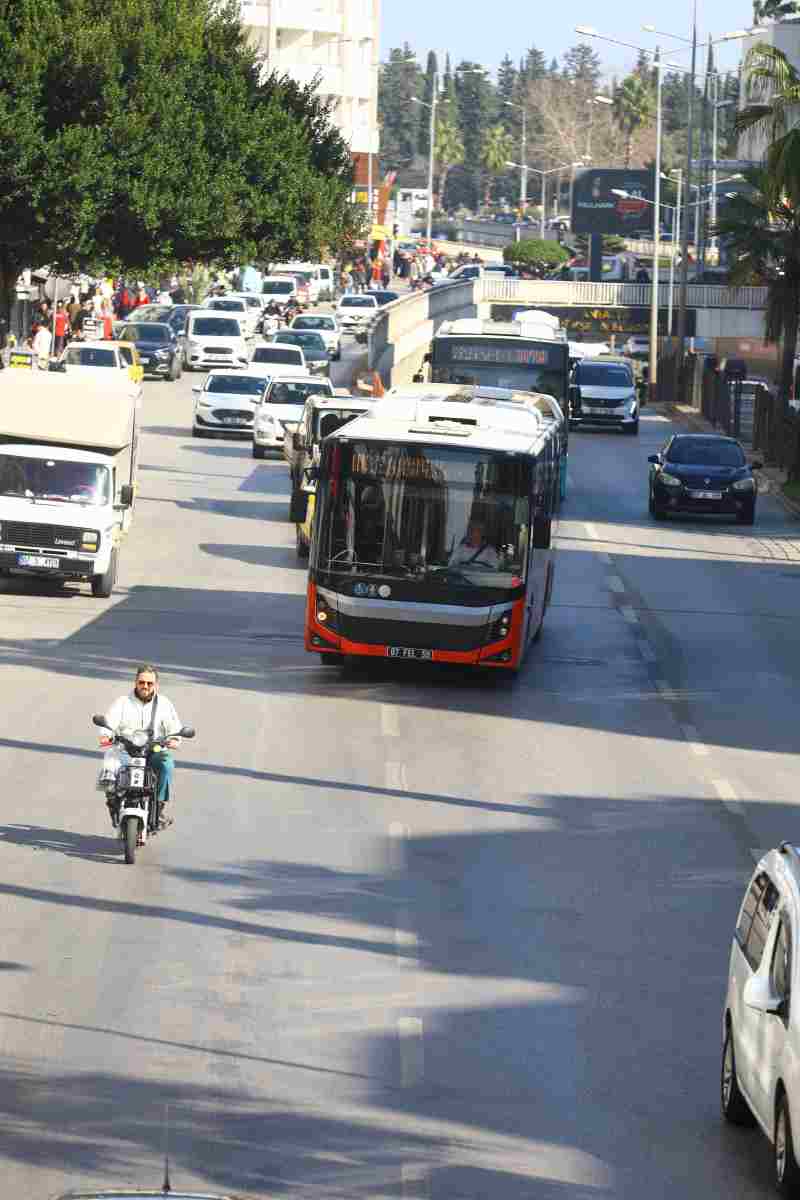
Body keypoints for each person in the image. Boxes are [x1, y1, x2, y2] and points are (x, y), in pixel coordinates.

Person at [99, 665, 183, 828]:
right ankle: (112, 801)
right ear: (135, 682)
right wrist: (106, 735)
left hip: (154, 750)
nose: (145, 686)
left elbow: (174, 728)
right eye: (142, 682)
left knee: (166, 764)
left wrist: (174, 739)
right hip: (126, 749)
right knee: (110, 759)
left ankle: (158, 809)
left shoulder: (164, 704)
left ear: (156, 685)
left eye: (149, 683)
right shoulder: (122, 702)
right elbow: (108, 723)